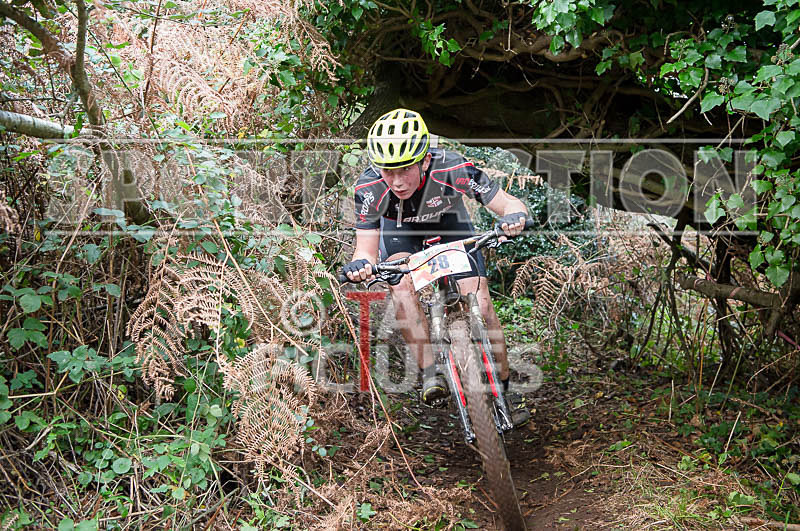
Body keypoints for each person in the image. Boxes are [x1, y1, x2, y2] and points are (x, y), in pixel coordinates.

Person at [341, 108, 530, 425]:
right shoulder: (369, 187)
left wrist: (514, 217)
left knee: (483, 306)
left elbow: (509, 203)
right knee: (400, 286)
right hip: (401, 234)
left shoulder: (452, 168)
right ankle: (430, 373)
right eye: (388, 171)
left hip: (451, 226)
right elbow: (366, 250)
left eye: (405, 169)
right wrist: (361, 265)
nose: (397, 181)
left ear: (426, 160)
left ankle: (506, 385)